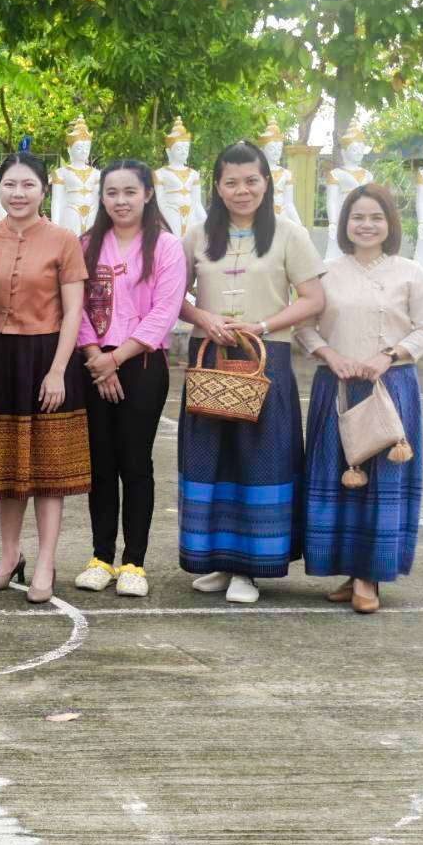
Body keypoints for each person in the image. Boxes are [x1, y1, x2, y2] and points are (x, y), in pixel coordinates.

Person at [179, 141, 325, 604]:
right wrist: (206, 320)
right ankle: (219, 561)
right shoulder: (198, 234)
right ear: (218, 186)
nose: (242, 190)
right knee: (211, 458)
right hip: (211, 356)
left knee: (260, 462)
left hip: (267, 358)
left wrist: (261, 325)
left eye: (251, 180)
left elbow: (313, 299)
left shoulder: (288, 235)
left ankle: (250, 567)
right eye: (231, 182)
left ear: (266, 183)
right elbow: (172, 295)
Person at [296, 184, 423, 614]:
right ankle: (347, 568)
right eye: (357, 217)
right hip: (336, 386)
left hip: (390, 386)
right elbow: (304, 324)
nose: (366, 225)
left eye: (376, 217)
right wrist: (330, 355)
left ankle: (368, 577)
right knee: (339, 478)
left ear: (390, 224)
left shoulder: (410, 271)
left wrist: (388, 356)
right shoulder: (325, 271)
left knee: (380, 483)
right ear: (345, 224)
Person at [0, 153, 89, 604]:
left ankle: (45, 562)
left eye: (28, 185)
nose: (18, 194)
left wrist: (59, 369)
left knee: (48, 468)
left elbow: (74, 309)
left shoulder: (63, 240)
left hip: (47, 355)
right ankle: (8, 556)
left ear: (44, 190)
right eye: (10, 185)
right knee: (6, 464)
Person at [73, 160, 185, 597]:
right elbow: (76, 307)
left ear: (148, 194)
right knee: (100, 463)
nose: (121, 201)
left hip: (140, 365)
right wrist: (96, 358)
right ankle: (101, 556)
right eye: (112, 193)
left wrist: (116, 358)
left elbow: (165, 311)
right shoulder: (86, 245)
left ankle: (134, 561)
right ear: (101, 198)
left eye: (129, 192)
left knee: (135, 463)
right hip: (93, 365)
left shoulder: (167, 247)